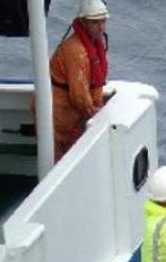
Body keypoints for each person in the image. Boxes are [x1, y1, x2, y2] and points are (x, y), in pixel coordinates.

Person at [47, 0, 109, 161]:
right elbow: (79, 97)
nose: (101, 27)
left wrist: (97, 106)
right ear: (83, 23)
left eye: (103, 21)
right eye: (95, 23)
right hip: (57, 113)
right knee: (58, 161)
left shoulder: (93, 45)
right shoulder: (77, 53)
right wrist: (96, 114)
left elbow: (95, 84)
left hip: (70, 114)